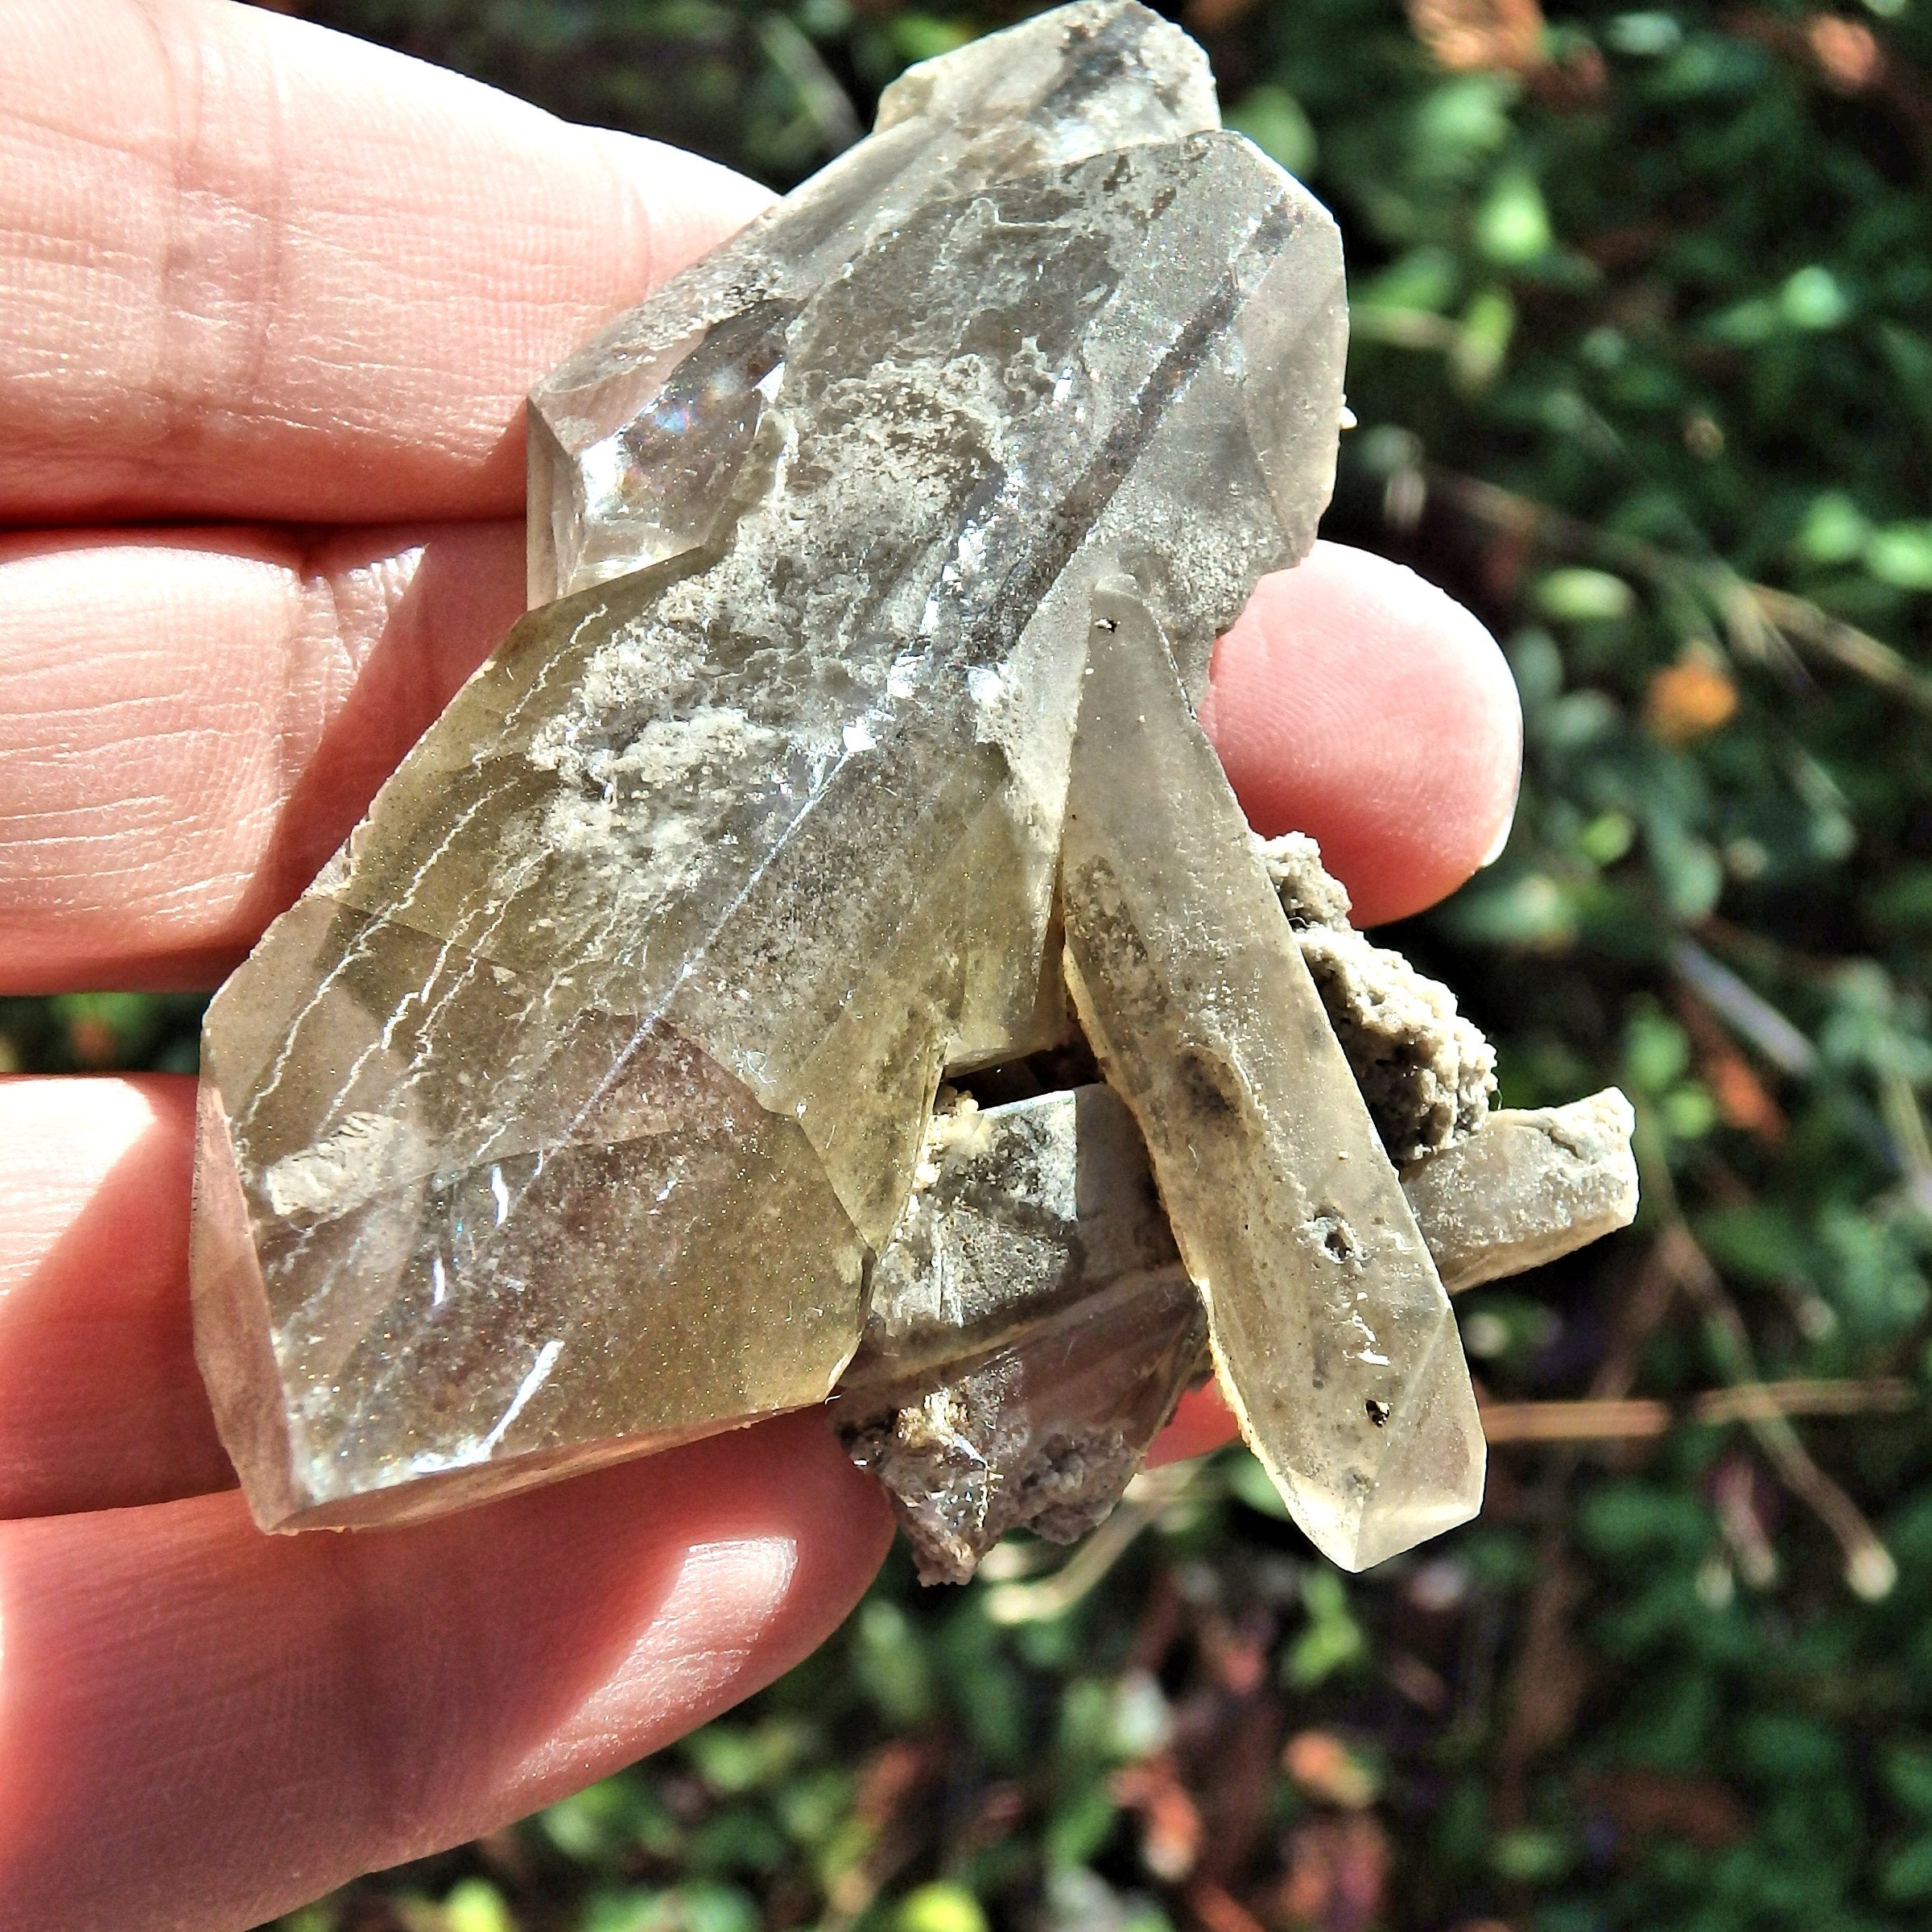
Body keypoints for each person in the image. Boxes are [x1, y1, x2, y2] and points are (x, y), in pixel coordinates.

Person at [0, 2, 1521, 1924]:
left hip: (464, 1182)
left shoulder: (1026, 532)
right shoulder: (1086, 497)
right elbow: (627, 431)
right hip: (484, 1190)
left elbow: (618, 426)